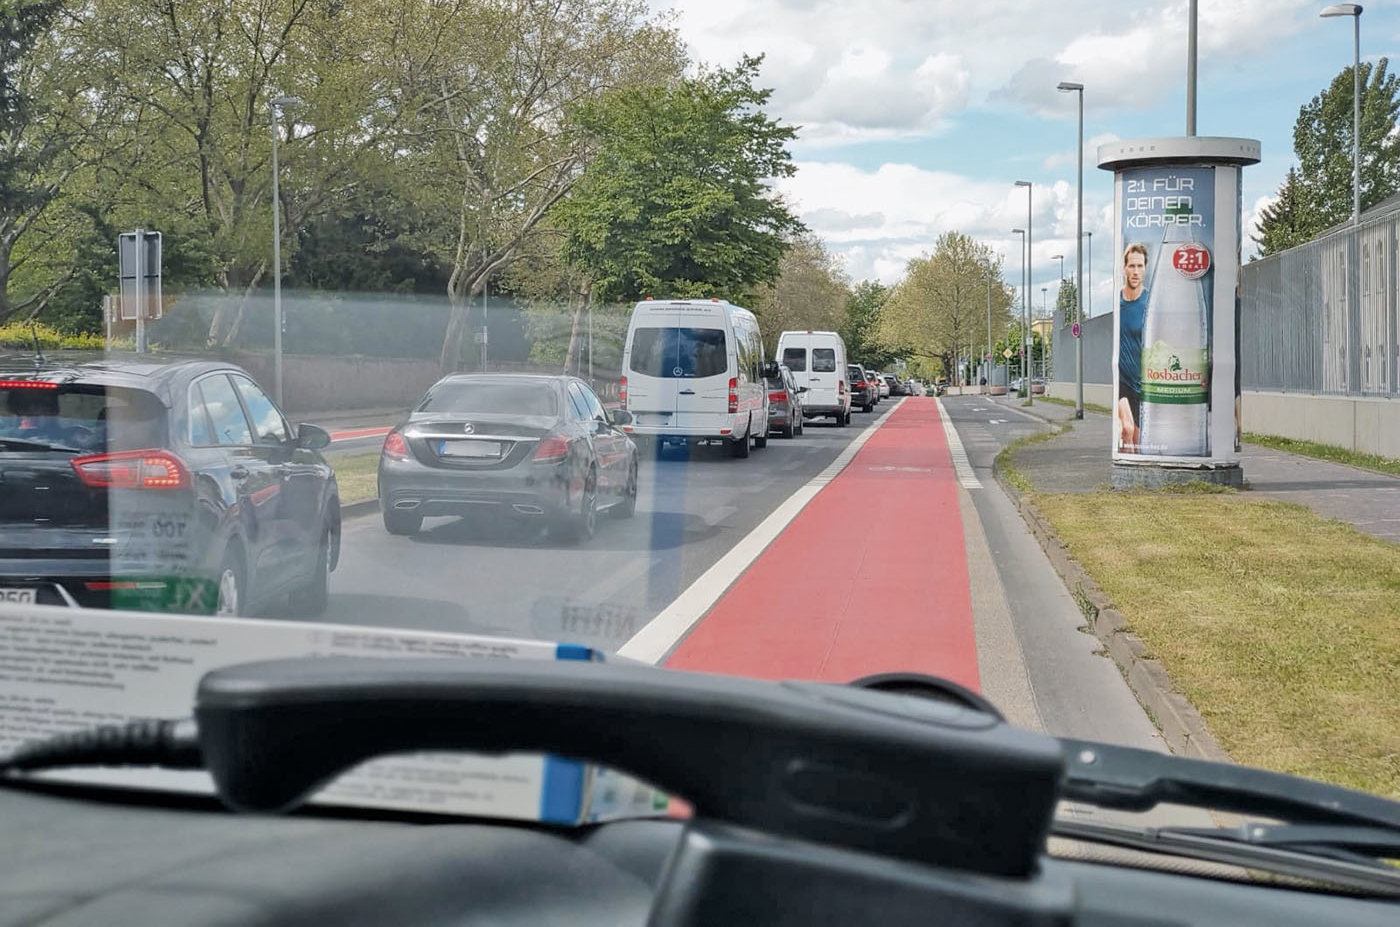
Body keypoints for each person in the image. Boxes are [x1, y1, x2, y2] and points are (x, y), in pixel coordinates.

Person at [1117, 243, 1149, 453]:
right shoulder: (1116, 300)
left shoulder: (1150, 303)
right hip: (1122, 380)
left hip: (1143, 383)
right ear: (1124, 268)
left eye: (1140, 266)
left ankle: (1131, 468)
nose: (1135, 271)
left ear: (1145, 268)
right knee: (1126, 429)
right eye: (1131, 266)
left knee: (1136, 442)